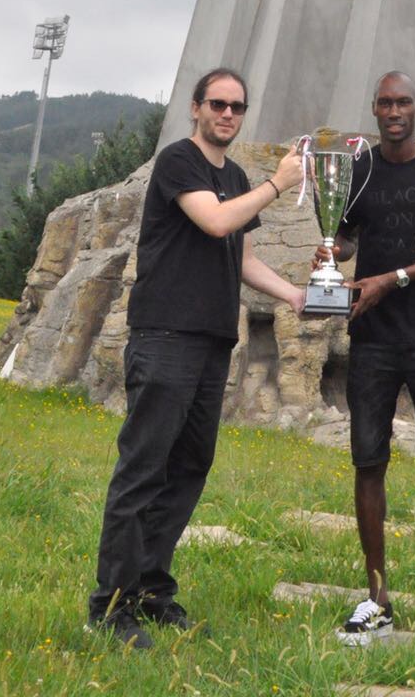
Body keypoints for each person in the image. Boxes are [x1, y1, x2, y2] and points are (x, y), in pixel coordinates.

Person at [86, 67, 305, 649]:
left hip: (212, 343)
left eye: (236, 106)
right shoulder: (178, 161)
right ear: (195, 108)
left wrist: (294, 295)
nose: (227, 114)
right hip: (164, 337)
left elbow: (242, 256)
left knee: (187, 471)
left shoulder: (234, 176)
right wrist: (279, 184)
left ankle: (152, 591)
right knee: (143, 472)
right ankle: (110, 608)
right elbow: (213, 222)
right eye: (217, 104)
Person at [319, 70, 415, 655]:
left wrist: (396, 277)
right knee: (368, 462)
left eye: (403, 101)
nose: (393, 111)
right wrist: (328, 254)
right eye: (384, 102)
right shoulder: (358, 170)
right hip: (373, 338)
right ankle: (377, 598)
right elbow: (346, 238)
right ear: (376, 108)